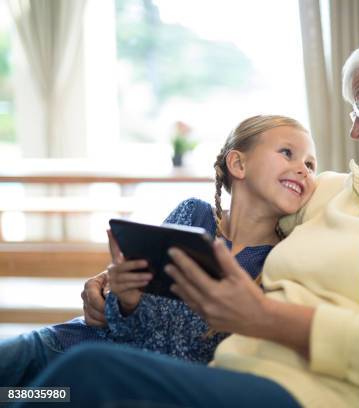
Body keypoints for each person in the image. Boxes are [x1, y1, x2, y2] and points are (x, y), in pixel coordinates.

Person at [21, 22, 359, 408]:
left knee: (90, 374)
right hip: (230, 373)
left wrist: (264, 317)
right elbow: (238, 213)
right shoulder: (332, 192)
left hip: (306, 397)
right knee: (30, 384)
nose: (355, 131)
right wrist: (120, 280)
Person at [0, 115, 316, 387]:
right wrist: (125, 299)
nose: (303, 168)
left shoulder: (279, 260)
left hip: (120, 378)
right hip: (69, 344)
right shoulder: (194, 215)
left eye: (311, 164)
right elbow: (122, 320)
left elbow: (196, 356)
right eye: (288, 153)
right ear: (238, 163)